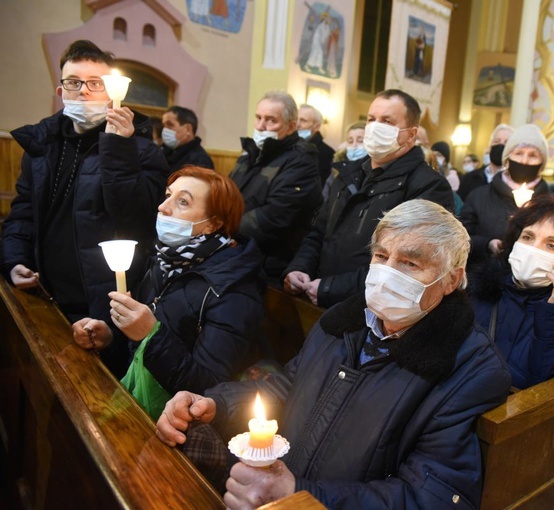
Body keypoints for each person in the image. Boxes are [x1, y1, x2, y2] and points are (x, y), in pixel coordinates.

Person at [156, 199, 513, 508]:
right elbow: (287, 388)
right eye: (381, 256)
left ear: (451, 280)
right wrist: (215, 405)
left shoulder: (468, 367)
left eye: (410, 264)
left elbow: (430, 497)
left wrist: (302, 494)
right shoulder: (344, 321)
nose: (387, 274)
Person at [1, 40, 169, 377]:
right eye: (74, 82)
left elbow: (136, 221)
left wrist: (118, 149)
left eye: (96, 83)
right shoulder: (42, 144)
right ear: (60, 89)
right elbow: (23, 213)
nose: (83, 91)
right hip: (43, 295)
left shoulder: (141, 150)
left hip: (100, 306)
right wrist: (14, 259)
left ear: (111, 91)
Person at [72, 167, 266, 420]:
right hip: (140, 404)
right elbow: (138, 349)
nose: (163, 207)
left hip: (178, 422)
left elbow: (208, 389)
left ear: (213, 223)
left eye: (182, 202)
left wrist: (150, 335)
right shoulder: (164, 261)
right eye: (167, 195)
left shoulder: (234, 290)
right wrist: (110, 338)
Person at [282, 89, 454, 308]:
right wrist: (299, 268)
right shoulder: (348, 175)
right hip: (318, 296)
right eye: (371, 119)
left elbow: (406, 265)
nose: (375, 127)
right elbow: (319, 233)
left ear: (411, 134)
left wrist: (331, 288)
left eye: (387, 121)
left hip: (370, 309)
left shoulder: (429, 186)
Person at [470, 194, 554, 388]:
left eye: (551, 245)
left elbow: (552, 392)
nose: (532, 249)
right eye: (527, 237)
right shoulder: (483, 291)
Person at [229, 91, 322, 281]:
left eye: (271, 120)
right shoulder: (251, 153)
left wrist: (222, 225)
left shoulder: (301, 161)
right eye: (258, 118)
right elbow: (226, 193)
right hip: (236, 249)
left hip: (268, 262)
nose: (261, 126)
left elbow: (273, 217)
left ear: (290, 126)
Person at [460, 123, 550, 268]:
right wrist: (487, 244)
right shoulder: (479, 196)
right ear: (507, 160)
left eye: (533, 155)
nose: (525, 161)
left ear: (542, 164)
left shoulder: (551, 204)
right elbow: (459, 237)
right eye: (519, 153)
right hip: (484, 278)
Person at [458, 123, 512, 201]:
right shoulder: (470, 178)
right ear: (489, 146)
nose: (501, 145)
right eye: (497, 141)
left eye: (506, 142)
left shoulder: (515, 182)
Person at [161, 105, 214, 172]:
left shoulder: (199, 160)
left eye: (170, 125)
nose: (164, 130)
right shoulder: (167, 152)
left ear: (187, 129)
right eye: (163, 125)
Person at [322, 121, 366, 201]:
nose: (354, 145)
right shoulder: (338, 169)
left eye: (360, 141)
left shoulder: (372, 171)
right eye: (350, 141)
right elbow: (325, 199)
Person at [297, 104, 335, 184]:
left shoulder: (327, 153)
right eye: (296, 119)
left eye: (303, 120)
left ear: (316, 126)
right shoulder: (289, 146)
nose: (297, 124)